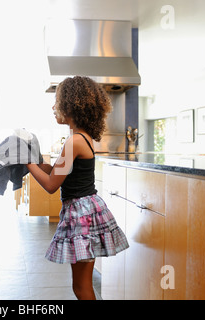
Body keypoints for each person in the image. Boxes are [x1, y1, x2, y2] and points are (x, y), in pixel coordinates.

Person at [26, 76, 129, 300]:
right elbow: (56, 171)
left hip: (81, 214)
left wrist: (27, 164)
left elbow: (52, 184)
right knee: (81, 286)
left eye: (57, 101)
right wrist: (35, 160)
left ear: (71, 104)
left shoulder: (74, 142)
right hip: (87, 210)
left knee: (82, 288)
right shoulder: (81, 137)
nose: (53, 107)